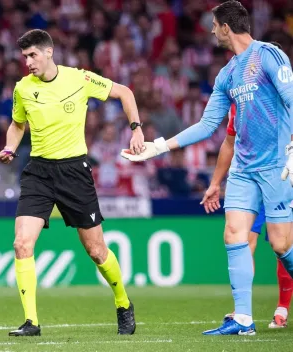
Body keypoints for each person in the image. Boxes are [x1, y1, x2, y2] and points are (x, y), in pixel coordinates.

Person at [120, 1, 293, 335]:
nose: (212, 31)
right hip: (243, 169)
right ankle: (243, 318)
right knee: (233, 234)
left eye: (214, 25)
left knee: (281, 245)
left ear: (226, 27)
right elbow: (206, 125)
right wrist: (159, 147)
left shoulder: (269, 55)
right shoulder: (226, 74)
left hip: (277, 165)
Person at [0, 29, 144, 336]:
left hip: (74, 171)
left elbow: (125, 93)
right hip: (38, 172)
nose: (28, 62)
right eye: (24, 57)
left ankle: (122, 302)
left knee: (96, 251)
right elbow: (17, 124)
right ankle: (31, 322)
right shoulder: (23, 88)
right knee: (22, 243)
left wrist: (136, 129)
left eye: (33, 55)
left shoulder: (79, 79)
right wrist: (10, 147)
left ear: (49, 52)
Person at [201, 103, 293, 329]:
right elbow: (229, 142)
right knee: (242, 240)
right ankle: (242, 312)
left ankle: (282, 306)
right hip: (251, 182)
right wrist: (215, 183)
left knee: (281, 245)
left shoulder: (279, 92)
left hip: (281, 177)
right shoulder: (237, 102)